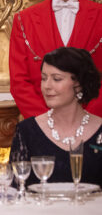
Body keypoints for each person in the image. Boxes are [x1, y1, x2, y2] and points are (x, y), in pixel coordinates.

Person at [9, 0, 102, 118]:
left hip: (95, 126)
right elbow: (19, 82)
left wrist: (86, 121)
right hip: (43, 128)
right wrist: (49, 124)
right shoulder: (23, 20)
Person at [9, 47, 102, 187]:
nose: (47, 86)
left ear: (79, 84)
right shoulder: (26, 131)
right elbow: (15, 191)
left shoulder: (100, 130)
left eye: (56, 79)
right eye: (44, 78)